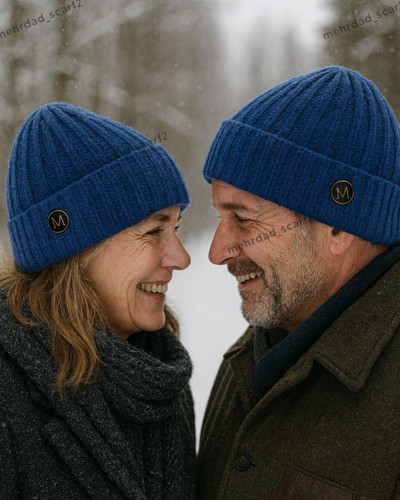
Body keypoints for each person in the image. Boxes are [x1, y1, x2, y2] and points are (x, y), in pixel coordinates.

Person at [198, 66, 400, 499]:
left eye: (243, 219)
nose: (217, 251)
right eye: (219, 217)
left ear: (337, 227)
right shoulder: (251, 359)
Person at [0, 103, 195, 499]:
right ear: (76, 250)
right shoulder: (8, 395)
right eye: (153, 231)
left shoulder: (159, 375)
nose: (181, 257)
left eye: (176, 228)